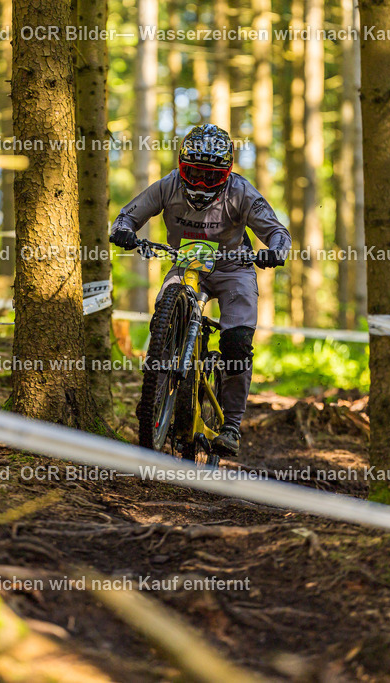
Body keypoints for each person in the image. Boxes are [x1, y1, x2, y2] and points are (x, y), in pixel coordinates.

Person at [110, 123, 291, 456]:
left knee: (236, 343)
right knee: (164, 313)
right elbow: (128, 215)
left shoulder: (242, 192)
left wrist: (276, 250)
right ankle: (157, 388)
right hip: (187, 265)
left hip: (233, 269)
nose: (201, 183)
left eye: (211, 176)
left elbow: (278, 231)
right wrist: (123, 228)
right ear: (181, 166)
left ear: (226, 173)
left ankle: (232, 425)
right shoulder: (168, 185)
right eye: (194, 173)